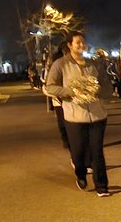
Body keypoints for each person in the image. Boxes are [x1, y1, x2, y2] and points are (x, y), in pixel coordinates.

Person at [44, 31, 113, 196]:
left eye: (83, 42)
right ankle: (80, 173)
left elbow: (106, 85)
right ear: (70, 45)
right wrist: (71, 91)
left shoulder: (93, 64)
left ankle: (102, 186)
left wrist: (99, 92)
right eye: (78, 42)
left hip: (97, 114)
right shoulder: (60, 64)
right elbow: (50, 87)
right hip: (75, 116)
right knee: (78, 152)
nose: (81, 45)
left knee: (97, 151)